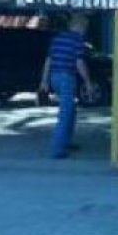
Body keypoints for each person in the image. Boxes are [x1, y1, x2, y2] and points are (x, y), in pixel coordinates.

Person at [39, 13, 96, 159]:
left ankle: (66, 142)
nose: (85, 31)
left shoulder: (57, 39)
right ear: (78, 26)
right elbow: (79, 63)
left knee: (70, 110)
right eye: (85, 28)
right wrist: (88, 83)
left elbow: (48, 61)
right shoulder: (77, 40)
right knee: (65, 113)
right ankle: (58, 150)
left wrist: (44, 81)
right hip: (66, 78)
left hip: (54, 78)